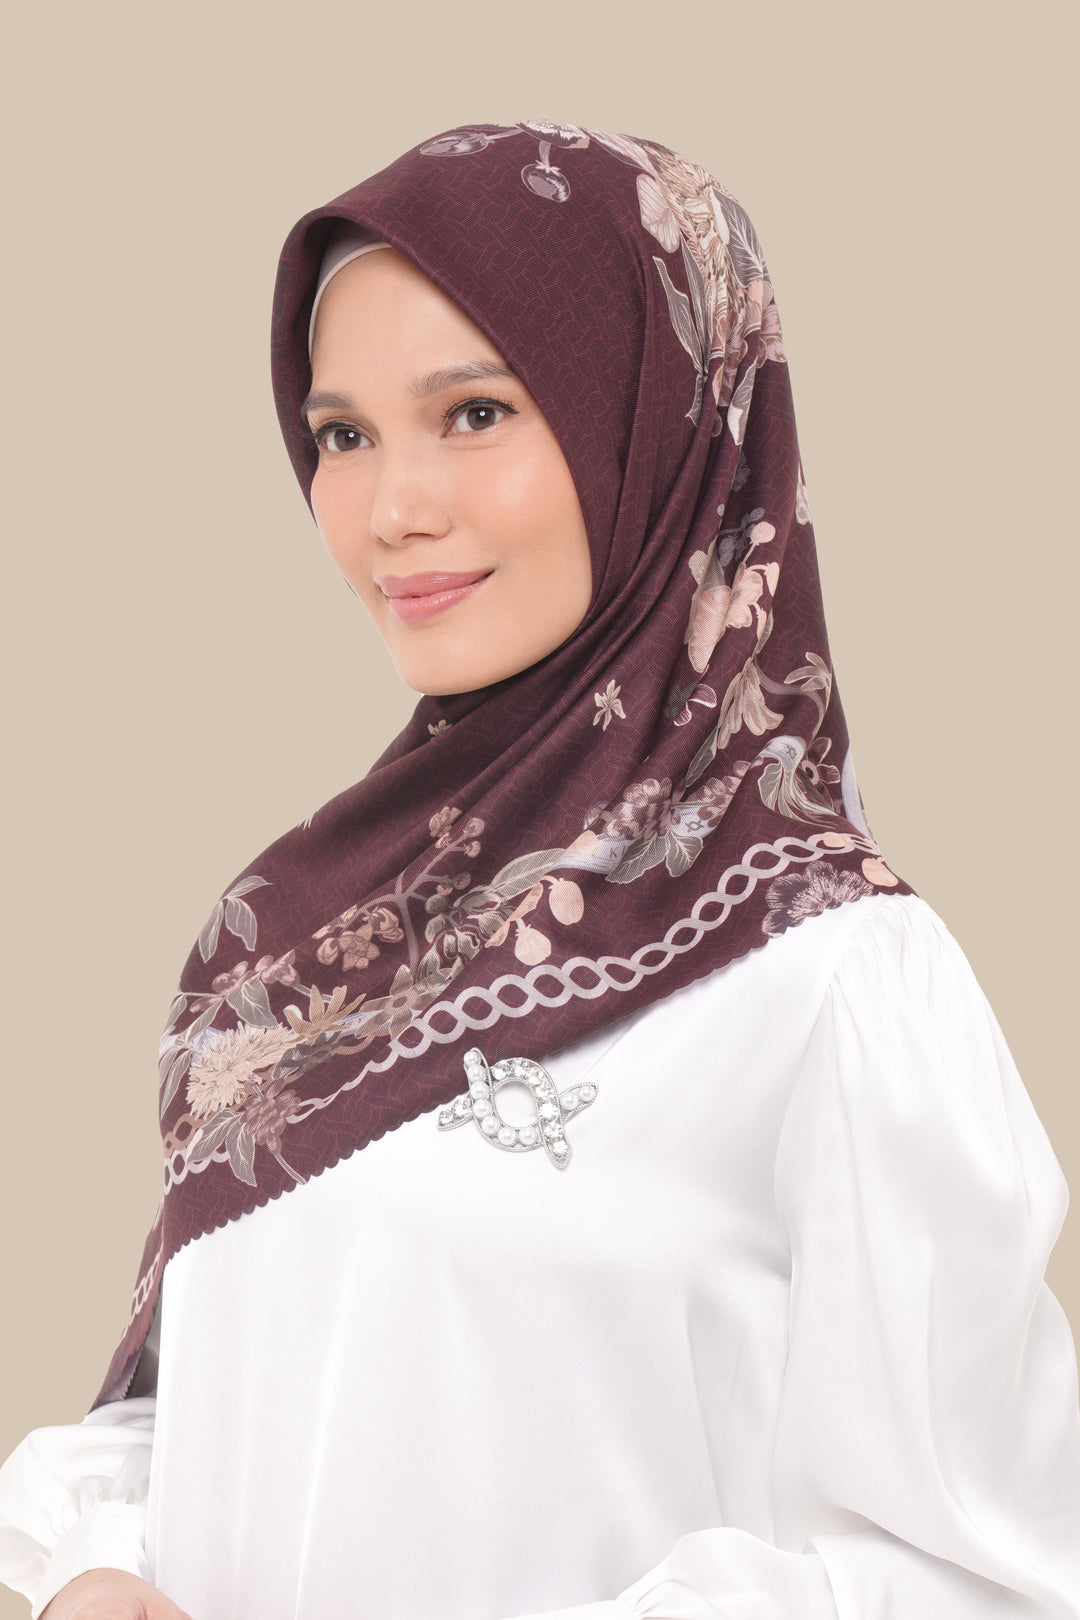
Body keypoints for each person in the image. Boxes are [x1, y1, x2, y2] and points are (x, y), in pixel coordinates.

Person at [1, 120, 1078, 1620]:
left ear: (665, 422)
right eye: (342, 436)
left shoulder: (832, 975)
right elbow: (221, 1408)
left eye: (475, 413)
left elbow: (991, 1571)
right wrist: (98, 1565)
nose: (393, 511)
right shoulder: (293, 940)